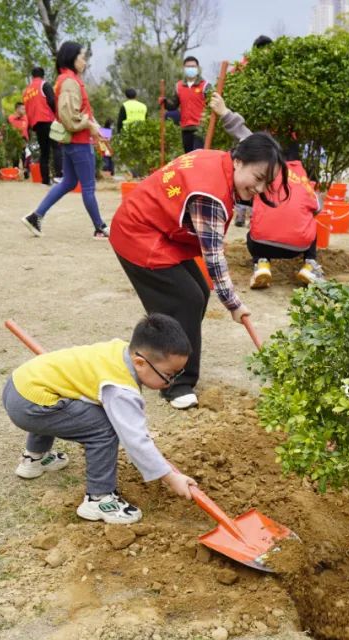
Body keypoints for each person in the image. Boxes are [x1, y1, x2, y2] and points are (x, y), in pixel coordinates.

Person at [108, 133, 289, 410]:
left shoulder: (221, 162)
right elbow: (213, 258)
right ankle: (175, 381)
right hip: (138, 233)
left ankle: (172, 360)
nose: (260, 188)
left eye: (267, 182)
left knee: (198, 292)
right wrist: (233, 304)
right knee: (184, 300)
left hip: (159, 229)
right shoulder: (210, 195)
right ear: (239, 161)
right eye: (258, 177)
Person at [3, 314, 199, 524]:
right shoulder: (121, 389)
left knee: (64, 401)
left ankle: (34, 458)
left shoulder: (120, 351)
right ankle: (99, 499)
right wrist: (171, 477)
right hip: (31, 406)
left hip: (21, 385)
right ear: (140, 362)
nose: (171, 382)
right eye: (169, 375)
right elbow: (135, 440)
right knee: (104, 427)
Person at [210, 93, 324, 287]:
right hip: (298, 247)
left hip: (261, 243)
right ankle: (310, 264)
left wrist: (224, 112)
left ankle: (261, 262)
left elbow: (245, 135)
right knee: (311, 224)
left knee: (253, 231)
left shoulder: (263, 170)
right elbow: (318, 207)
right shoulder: (302, 177)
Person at [21, 42, 109, 240]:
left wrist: (94, 127)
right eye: (82, 56)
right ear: (72, 57)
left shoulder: (66, 80)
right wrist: (90, 126)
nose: (84, 61)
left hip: (73, 142)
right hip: (79, 142)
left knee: (68, 182)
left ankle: (36, 216)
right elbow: (70, 117)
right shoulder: (69, 82)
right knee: (87, 187)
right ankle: (100, 227)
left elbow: (77, 113)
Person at [23, 67, 62, 185]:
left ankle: (45, 180)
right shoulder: (44, 85)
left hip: (36, 124)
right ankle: (60, 176)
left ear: (32, 76)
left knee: (44, 152)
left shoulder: (26, 91)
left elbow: (27, 108)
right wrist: (58, 115)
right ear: (43, 75)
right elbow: (51, 101)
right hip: (48, 119)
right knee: (56, 147)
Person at [167, 57, 210, 154]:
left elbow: (211, 104)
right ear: (184, 68)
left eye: (193, 66)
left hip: (200, 128)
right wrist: (165, 102)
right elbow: (173, 106)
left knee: (197, 155)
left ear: (198, 68)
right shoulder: (179, 86)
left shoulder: (205, 86)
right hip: (186, 128)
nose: (191, 69)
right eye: (188, 67)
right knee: (188, 157)